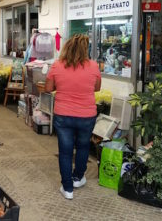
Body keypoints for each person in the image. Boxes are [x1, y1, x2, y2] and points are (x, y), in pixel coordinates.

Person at [45, 34, 101, 200]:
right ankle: (78, 178)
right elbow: (97, 88)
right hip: (86, 115)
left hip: (64, 115)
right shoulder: (93, 66)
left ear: (67, 47)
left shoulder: (57, 65)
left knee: (65, 152)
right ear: (86, 50)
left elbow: (48, 88)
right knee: (83, 147)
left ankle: (68, 188)